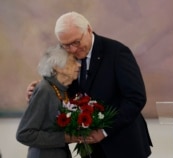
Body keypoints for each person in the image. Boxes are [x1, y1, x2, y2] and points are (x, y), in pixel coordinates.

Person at [26, 11, 152, 158]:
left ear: (88, 30)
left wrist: (105, 131)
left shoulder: (117, 52)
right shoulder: (66, 56)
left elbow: (136, 98)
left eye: (76, 42)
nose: (72, 49)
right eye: (66, 45)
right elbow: (60, 88)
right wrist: (36, 91)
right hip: (90, 149)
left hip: (124, 146)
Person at [17, 45, 81, 158]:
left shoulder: (61, 89)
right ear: (57, 67)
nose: (79, 65)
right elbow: (24, 134)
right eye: (73, 61)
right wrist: (64, 137)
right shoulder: (44, 89)